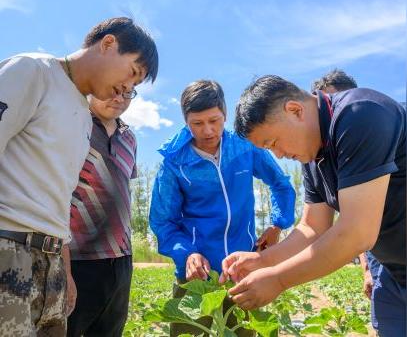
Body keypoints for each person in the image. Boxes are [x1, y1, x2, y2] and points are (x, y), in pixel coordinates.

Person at [0, 17, 158, 336]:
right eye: (132, 73)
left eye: (135, 87)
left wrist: (63, 265)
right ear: (109, 44)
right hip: (10, 250)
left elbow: (61, 200)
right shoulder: (33, 71)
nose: (128, 89)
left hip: (52, 262)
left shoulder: (84, 120)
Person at [221, 75, 405, 337]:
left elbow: (357, 232)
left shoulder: (360, 114)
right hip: (394, 274)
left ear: (295, 110)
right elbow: (312, 227)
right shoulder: (312, 155)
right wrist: (263, 260)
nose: (279, 154)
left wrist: (279, 279)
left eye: (273, 142)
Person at [150, 80, 296, 336]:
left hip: (243, 271)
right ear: (186, 121)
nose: (208, 130)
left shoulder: (244, 147)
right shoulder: (175, 162)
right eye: (197, 123)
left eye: (214, 121)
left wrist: (277, 224)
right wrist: (188, 254)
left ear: (225, 115)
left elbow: (280, 185)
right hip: (197, 278)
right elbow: (163, 222)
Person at [66, 93, 139, 337]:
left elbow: (122, 188)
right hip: (77, 259)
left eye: (128, 91)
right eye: (113, 89)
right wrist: (63, 267)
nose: (119, 98)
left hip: (121, 259)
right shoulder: (73, 124)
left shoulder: (129, 137)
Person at [312, 70, 382, 305]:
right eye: (328, 106)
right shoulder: (323, 162)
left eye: (339, 102)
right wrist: (366, 269)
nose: (335, 113)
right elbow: (354, 226)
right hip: (382, 257)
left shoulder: (371, 129)